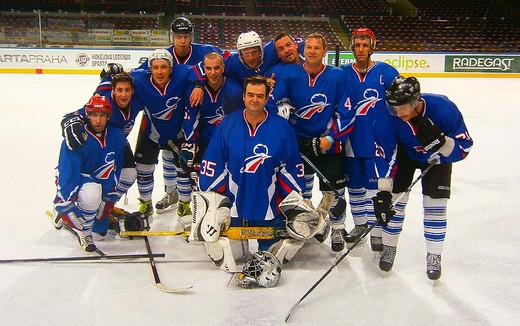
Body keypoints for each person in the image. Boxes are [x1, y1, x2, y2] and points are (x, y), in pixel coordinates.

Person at [192, 76, 322, 276]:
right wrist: (214, 203)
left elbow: (291, 169)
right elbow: (213, 164)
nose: (255, 100)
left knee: (273, 258)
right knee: (233, 256)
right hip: (234, 207)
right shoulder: (227, 125)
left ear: (267, 98)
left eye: (260, 96)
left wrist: (293, 203)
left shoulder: (282, 128)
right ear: (243, 97)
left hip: (269, 209)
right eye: (250, 95)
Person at [375, 76, 473, 280]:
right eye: (394, 107)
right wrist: (384, 190)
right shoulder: (390, 115)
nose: (397, 112)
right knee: (394, 202)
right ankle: (389, 247)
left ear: (415, 102)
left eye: (401, 107)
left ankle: (434, 255)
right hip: (405, 155)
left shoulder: (443, 108)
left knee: (435, 205)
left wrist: (443, 143)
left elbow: (465, 147)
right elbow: (386, 150)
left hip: (437, 160)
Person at [267, 33, 349, 252]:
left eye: (317, 48)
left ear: (324, 52)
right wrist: (280, 110)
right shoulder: (290, 74)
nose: (312, 51)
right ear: (304, 50)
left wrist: (332, 137)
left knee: (334, 191)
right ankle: (308, 222)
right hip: (300, 143)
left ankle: (338, 229)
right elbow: (273, 101)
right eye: (309, 47)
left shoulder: (337, 76)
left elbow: (347, 112)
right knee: (302, 188)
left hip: (328, 142)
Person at [60, 72, 143, 236]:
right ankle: (83, 205)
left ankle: (105, 204)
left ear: (133, 91)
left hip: (115, 142)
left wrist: (109, 199)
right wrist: (69, 122)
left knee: (129, 173)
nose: (123, 94)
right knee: (90, 189)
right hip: (95, 144)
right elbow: (78, 114)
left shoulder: (137, 100)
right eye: (119, 90)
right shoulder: (104, 101)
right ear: (113, 91)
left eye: (127, 90)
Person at [338, 28, 400, 250]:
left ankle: (376, 231)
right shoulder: (343, 73)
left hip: (379, 142)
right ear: (352, 47)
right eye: (357, 45)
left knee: (375, 190)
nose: (360, 49)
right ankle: (360, 226)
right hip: (351, 141)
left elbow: (402, 101)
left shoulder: (387, 72)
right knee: (354, 187)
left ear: (372, 47)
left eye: (365, 45)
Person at [178, 52, 243, 229]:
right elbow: (190, 116)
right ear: (203, 70)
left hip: (229, 142)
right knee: (198, 176)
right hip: (205, 141)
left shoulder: (235, 90)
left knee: (232, 176)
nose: (213, 72)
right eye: (208, 68)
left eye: (216, 68)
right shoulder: (195, 90)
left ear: (223, 68)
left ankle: (230, 212)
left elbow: (238, 121)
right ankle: (200, 213)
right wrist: (189, 143)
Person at [53, 96, 126, 253]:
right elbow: (67, 171)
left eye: (102, 115)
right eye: (94, 115)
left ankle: (80, 219)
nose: (98, 120)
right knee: (93, 193)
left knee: (100, 233)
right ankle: (83, 231)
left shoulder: (117, 135)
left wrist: (109, 197)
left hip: (99, 181)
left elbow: (116, 167)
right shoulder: (76, 137)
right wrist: (66, 202)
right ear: (87, 115)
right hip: (79, 181)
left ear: (108, 116)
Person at [130, 49, 196, 221]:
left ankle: (184, 205)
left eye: (164, 67)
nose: (159, 71)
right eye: (155, 67)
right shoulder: (138, 79)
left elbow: (204, 72)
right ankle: (145, 203)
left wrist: (199, 86)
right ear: (149, 69)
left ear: (171, 68)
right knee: (143, 169)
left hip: (177, 132)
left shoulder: (183, 74)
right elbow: (116, 81)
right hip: (149, 132)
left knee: (183, 169)